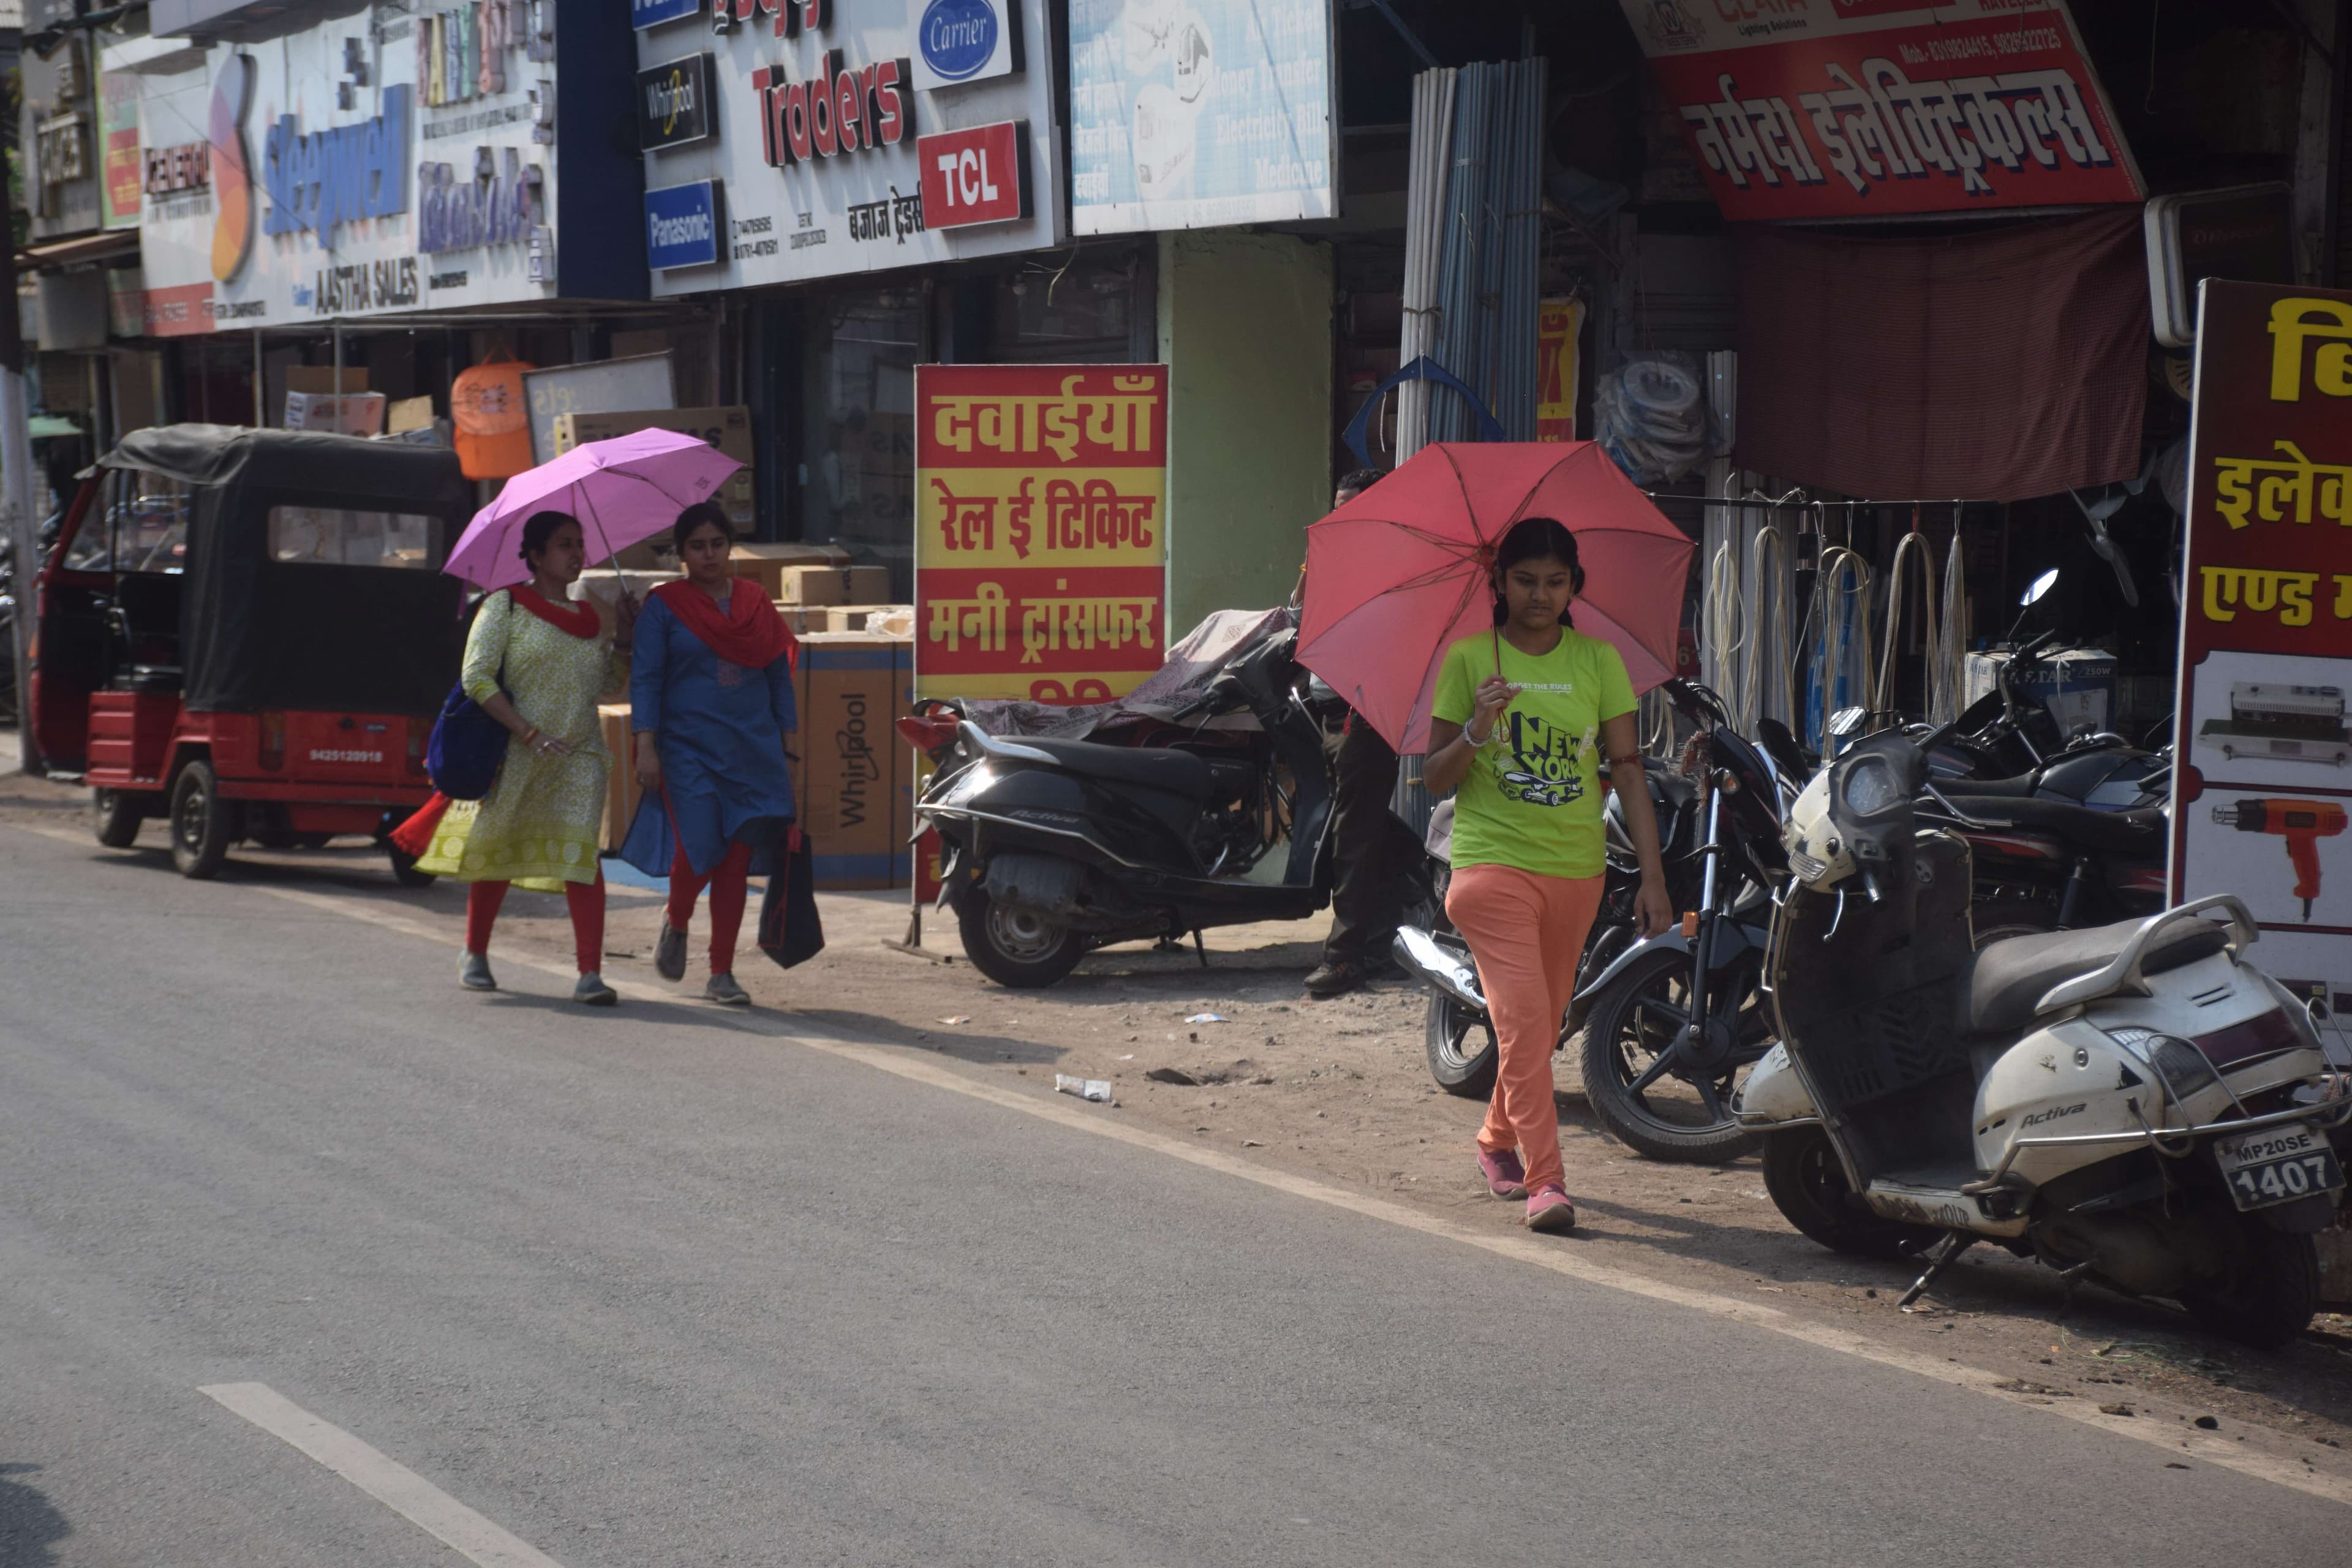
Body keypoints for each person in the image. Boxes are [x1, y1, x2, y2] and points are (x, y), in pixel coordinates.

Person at [1423, 516, 1671, 1234]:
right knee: (1527, 1019)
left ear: (1573, 587)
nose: (1540, 594)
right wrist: (1475, 726)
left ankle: (1495, 1138)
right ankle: (1547, 1181)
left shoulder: (1599, 662)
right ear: (1498, 582)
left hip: (1576, 870)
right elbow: (1431, 776)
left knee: (1540, 1025)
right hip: (1489, 865)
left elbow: (1627, 771)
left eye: (1555, 582)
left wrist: (1653, 879)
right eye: (1526, 580)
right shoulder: (1471, 659)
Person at [410, 511, 631, 1005]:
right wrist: (528, 733)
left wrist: (625, 637)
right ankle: (474, 952)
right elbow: (478, 678)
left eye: (580, 544)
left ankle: (590, 973)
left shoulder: (591, 617)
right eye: (563, 545)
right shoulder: (504, 606)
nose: (576, 554)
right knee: (498, 852)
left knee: (582, 858)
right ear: (534, 555)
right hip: (516, 752)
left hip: (579, 756)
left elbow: (608, 684)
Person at [622, 502, 799, 1006]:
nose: (708, 555)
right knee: (700, 849)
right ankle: (677, 918)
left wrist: (789, 750)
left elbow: (777, 677)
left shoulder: (755, 602)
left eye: (716, 544)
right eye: (697, 546)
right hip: (687, 750)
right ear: (681, 554)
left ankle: (721, 972)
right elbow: (647, 680)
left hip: (752, 750)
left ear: (729, 546)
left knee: (736, 861)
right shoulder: (664, 607)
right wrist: (645, 747)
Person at [1302, 466, 1403, 1000]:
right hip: (1326, 707)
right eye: (1336, 506)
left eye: (1352, 508)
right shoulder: (1334, 563)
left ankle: (1344, 959)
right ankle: (1384, 940)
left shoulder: (1388, 570)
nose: (1341, 516)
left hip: (1361, 710)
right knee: (1367, 831)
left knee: (1355, 835)